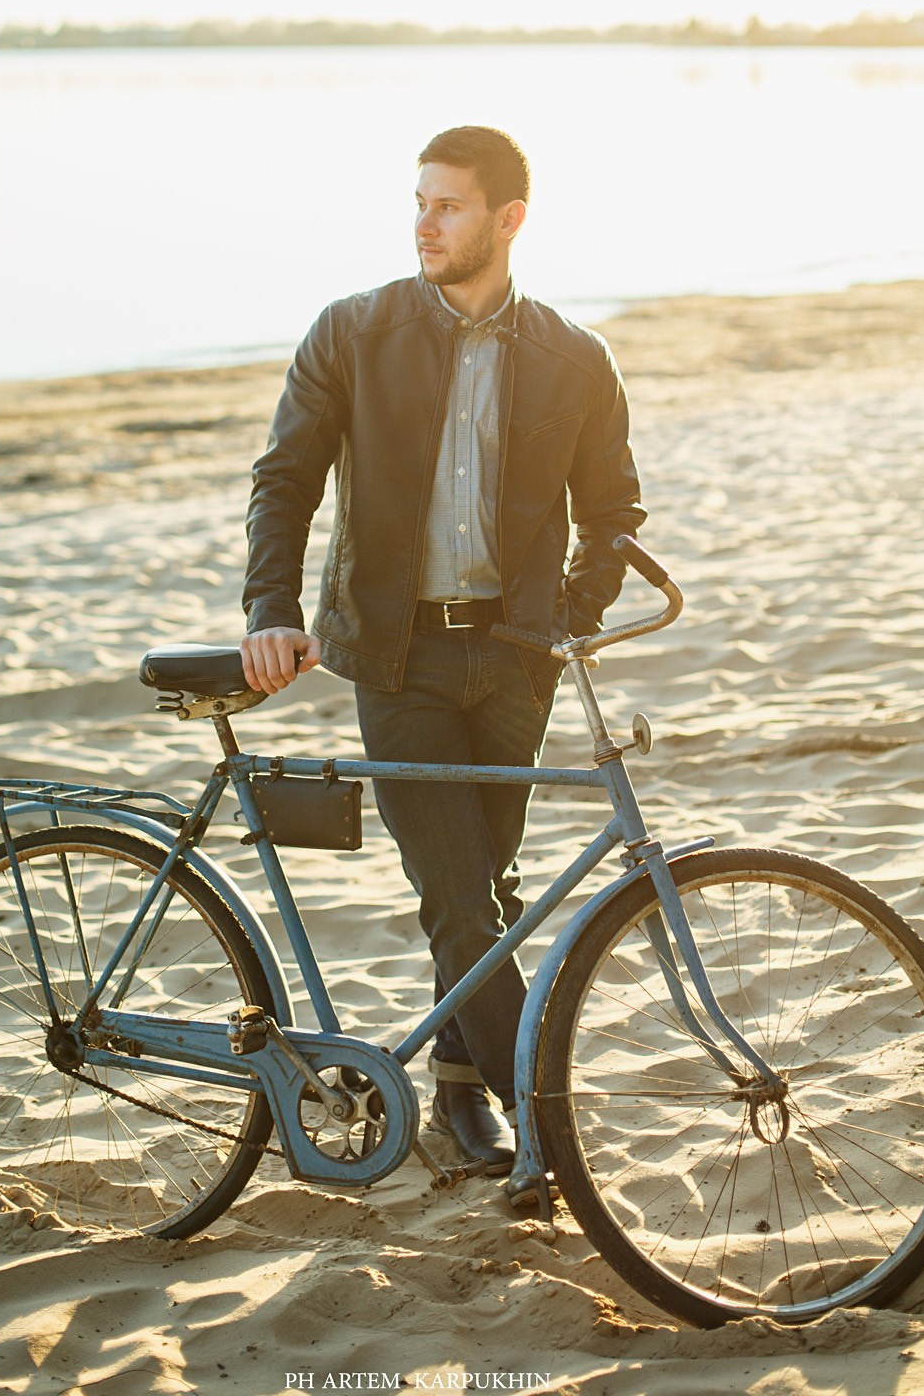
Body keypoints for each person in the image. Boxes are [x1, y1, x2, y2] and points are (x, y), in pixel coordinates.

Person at [240, 125, 643, 1201]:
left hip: (515, 661)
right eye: (417, 201)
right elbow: (284, 478)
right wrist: (271, 609)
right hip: (397, 656)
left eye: (448, 206)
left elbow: (612, 511)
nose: (423, 222)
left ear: (507, 219)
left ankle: (457, 1091)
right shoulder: (354, 332)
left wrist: (568, 614)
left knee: (486, 889)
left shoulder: (573, 356)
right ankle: (541, 1117)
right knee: (458, 897)